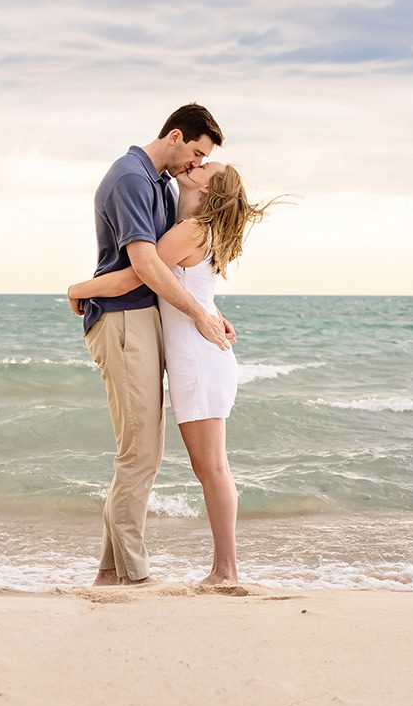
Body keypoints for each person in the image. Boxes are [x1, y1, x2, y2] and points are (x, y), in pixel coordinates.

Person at [69, 161, 279, 587]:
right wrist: (212, 313)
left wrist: (77, 290)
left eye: (206, 166)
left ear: (208, 187)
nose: (196, 165)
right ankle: (221, 570)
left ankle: (225, 572)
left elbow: (136, 276)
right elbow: (194, 290)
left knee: (212, 469)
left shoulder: (191, 230)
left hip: (199, 362)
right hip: (199, 357)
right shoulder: (200, 230)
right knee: (212, 468)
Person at [72, 104, 234, 588]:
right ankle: (133, 575)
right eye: (197, 153)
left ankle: (109, 573)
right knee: (139, 453)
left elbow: (176, 267)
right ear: (177, 136)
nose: (195, 164)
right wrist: (79, 288)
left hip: (142, 320)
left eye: (204, 161)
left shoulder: (159, 183)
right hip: (124, 321)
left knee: (142, 450)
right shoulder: (131, 178)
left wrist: (211, 312)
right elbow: (145, 265)